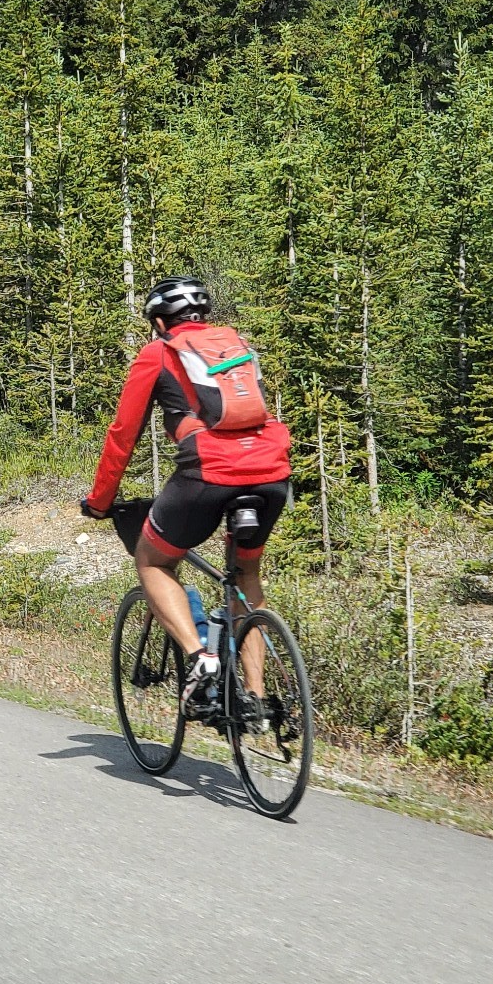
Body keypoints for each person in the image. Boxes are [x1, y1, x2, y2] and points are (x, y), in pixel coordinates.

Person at [81, 277, 291, 721]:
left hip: (208, 475)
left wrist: (101, 500)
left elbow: (123, 434)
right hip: (272, 473)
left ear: (160, 321)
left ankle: (200, 659)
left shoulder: (158, 353)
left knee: (153, 561)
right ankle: (254, 697)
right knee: (246, 575)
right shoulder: (234, 347)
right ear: (204, 316)